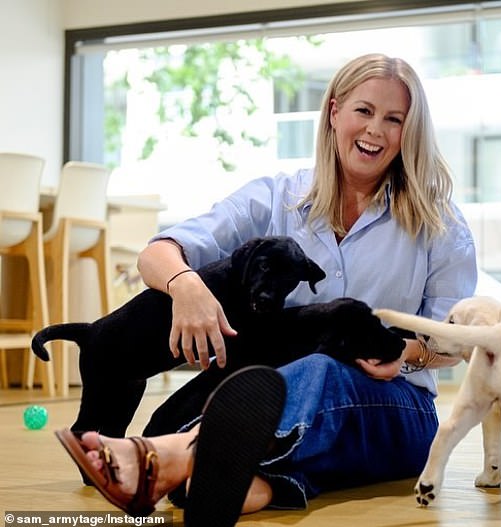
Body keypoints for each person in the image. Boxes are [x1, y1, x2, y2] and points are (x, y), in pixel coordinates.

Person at [56, 53, 477, 524]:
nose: (375, 130)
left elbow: (454, 346)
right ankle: (254, 484)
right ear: (335, 112)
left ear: (409, 131)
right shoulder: (276, 196)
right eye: (364, 111)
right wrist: (186, 287)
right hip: (275, 391)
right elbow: (159, 252)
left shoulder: (441, 224)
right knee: (191, 413)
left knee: (320, 369)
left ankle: (167, 459)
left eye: (393, 119)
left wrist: (408, 353)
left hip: (398, 410)